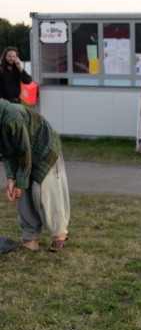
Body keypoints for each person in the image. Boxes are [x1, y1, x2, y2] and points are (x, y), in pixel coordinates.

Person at [0, 99, 70, 252]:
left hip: (44, 150)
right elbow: (6, 151)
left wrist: (19, 184)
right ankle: (31, 239)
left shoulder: (12, 117)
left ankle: (60, 235)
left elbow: (25, 151)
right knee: (23, 197)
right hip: (23, 154)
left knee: (44, 193)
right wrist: (11, 178)